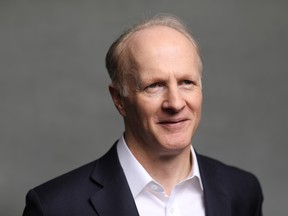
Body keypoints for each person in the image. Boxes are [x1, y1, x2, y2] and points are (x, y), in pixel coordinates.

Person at [23, 14, 263, 216]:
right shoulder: (54, 208)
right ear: (119, 99)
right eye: (154, 85)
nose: (175, 103)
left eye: (187, 82)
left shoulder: (242, 192)